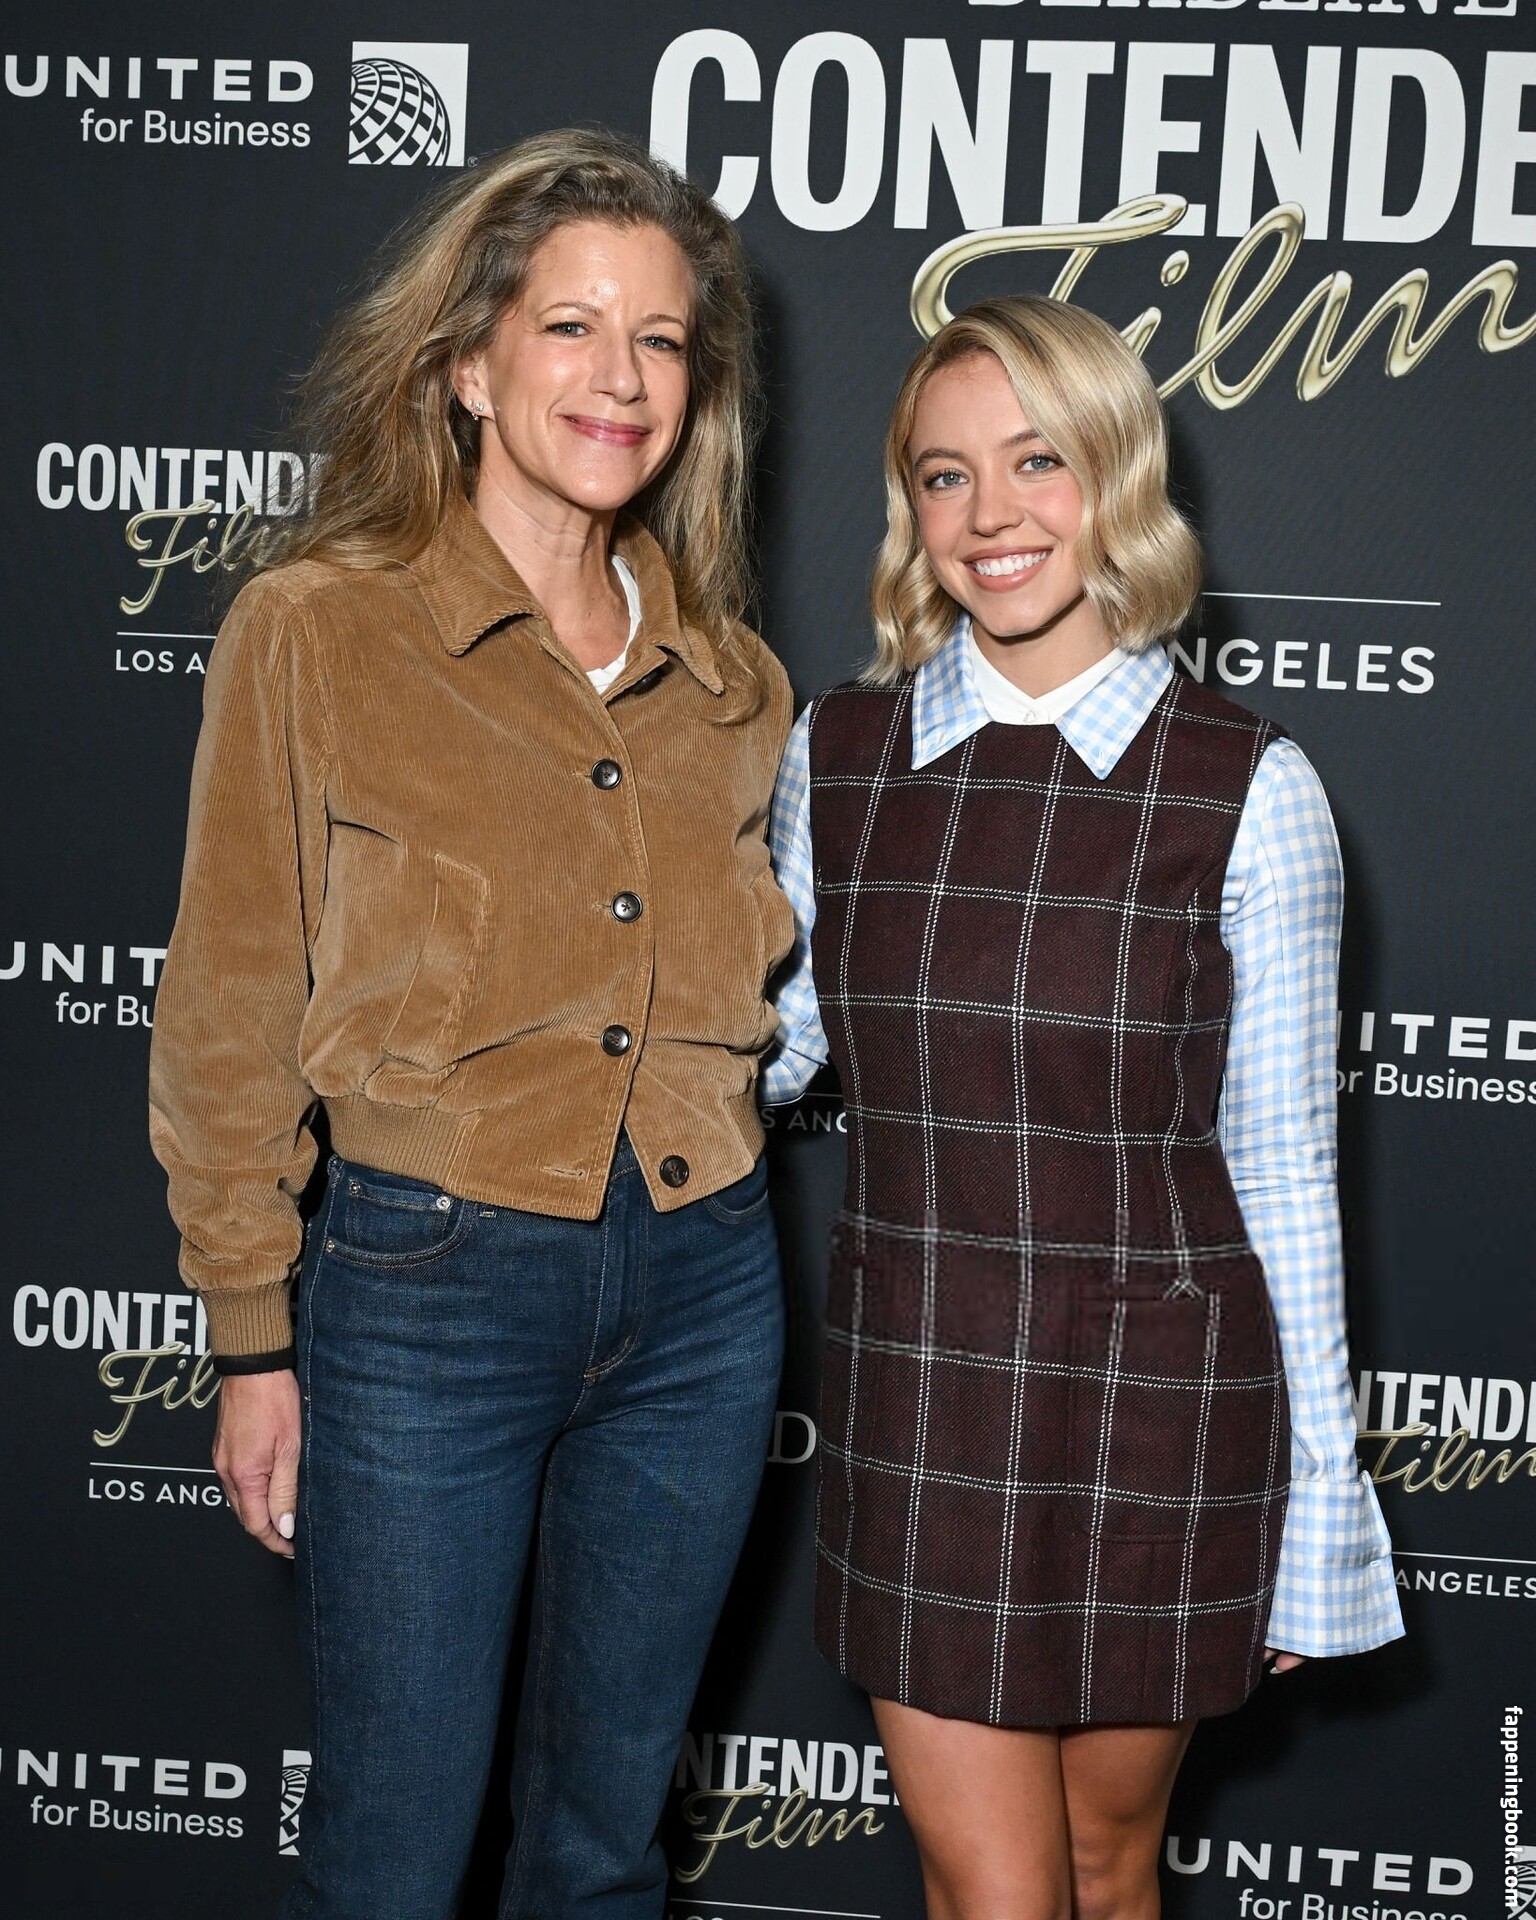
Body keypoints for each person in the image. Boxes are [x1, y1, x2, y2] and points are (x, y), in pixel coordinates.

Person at [149, 128, 794, 1920]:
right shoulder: (316, 633)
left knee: (602, 1850)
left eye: (660, 340)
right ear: (464, 365)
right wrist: (252, 1337)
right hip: (429, 1295)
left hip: (706, 1289)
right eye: (570, 326)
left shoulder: (734, 684)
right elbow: (228, 1006)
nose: (619, 378)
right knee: (391, 1854)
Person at [762, 294, 1403, 1920]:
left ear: (1115, 472)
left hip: (1162, 1407)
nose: (990, 515)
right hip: (925, 1393)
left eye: (1036, 461)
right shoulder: (840, 756)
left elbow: (1283, 1171)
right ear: (910, 507)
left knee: (1111, 1872)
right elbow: (769, 1049)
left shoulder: (1250, 788)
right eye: (945, 475)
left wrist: (1321, 1504)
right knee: (997, 1893)